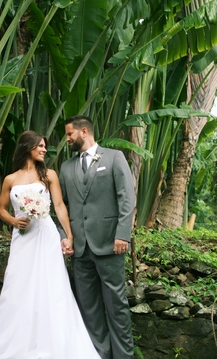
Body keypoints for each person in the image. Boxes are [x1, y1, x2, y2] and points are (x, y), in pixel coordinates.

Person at [0, 131, 99, 359]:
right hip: (22, 238)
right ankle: (17, 342)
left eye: (45, 146)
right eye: (41, 146)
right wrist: (14, 220)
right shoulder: (10, 179)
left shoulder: (49, 175)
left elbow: (60, 206)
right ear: (28, 147)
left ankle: (52, 342)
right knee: (17, 284)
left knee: (51, 285)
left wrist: (69, 236)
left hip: (45, 235)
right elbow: (1, 209)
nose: (44, 150)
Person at [59, 115, 136, 359]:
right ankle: (99, 354)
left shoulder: (114, 158)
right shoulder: (66, 167)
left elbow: (127, 199)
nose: (67, 139)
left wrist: (123, 234)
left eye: (69, 134)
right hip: (80, 250)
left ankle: (124, 356)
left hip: (110, 245)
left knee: (117, 305)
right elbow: (61, 206)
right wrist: (65, 236)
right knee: (88, 308)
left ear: (84, 131)